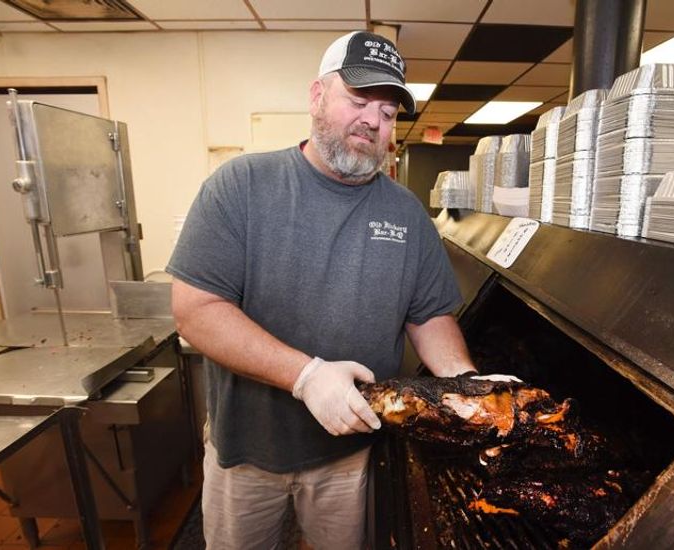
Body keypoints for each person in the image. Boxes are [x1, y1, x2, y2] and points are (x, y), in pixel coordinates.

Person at [167, 30, 477, 550]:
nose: (372, 121)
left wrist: (467, 384)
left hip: (350, 456)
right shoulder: (240, 186)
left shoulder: (407, 214)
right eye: (358, 100)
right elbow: (196, 311)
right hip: (246, 455)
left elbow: (429, 317)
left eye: (387, 112)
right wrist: (306, 376)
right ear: (317, 96)